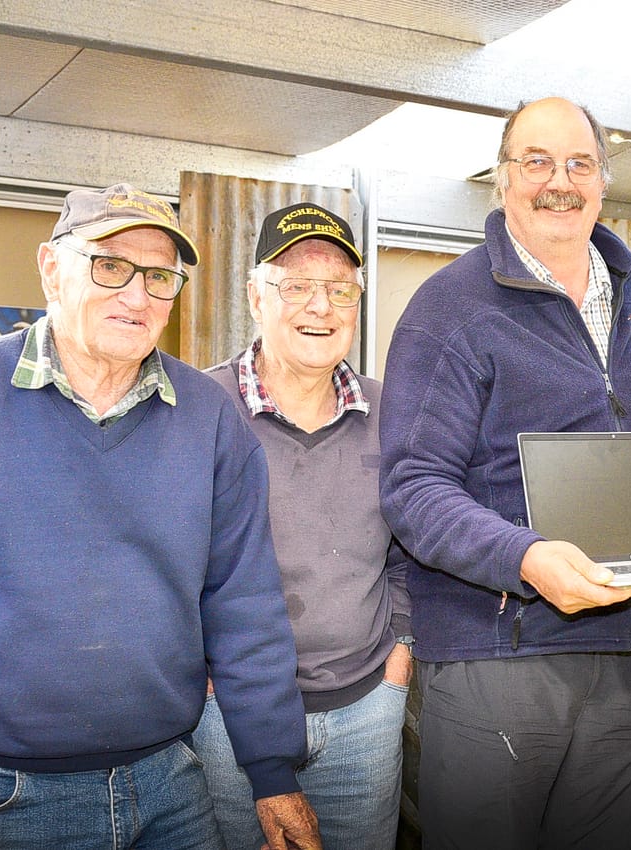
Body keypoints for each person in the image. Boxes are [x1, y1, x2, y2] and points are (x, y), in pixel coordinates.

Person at [0, 183, 319, 850]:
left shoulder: (209, 420)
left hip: (172, 782)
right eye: (110, 266)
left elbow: (246, 606)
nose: (138, 295)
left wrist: (272, 771)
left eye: (160, 276)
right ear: (52, 269)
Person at [378, 97, 631, 850]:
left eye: (580, 163)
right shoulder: (449, 309)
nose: (559, 181)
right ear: (504, 179)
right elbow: (413, 488)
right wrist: (526, 557)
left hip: (621, 654)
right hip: (499, 656)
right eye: (537, 161)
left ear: (604, 182)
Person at [190, 202, 410, 850]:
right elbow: (161, 557)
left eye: (339, 289)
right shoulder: (200, 410)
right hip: (226, 715)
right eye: (296, 286)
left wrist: (400, 656)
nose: (321, 306)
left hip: (366, 711)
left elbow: (411, 547)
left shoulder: (391, 411)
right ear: (257, 297)